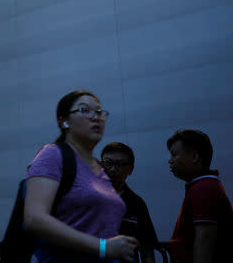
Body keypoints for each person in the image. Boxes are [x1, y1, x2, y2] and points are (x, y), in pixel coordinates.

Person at [24, 90, 138, 263]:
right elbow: (35, 218)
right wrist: (102, 247)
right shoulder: (53, 155)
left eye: (99, 112)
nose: (96, 117)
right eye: (85, 110)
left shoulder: (99, 169)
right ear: (64, 122)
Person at [166, 129, 233, 263]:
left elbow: (205, 237)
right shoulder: (204, 185)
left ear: (195, 157)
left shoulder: (204, 188)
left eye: (174, 155)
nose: (170, 161)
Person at [100, 143, 158, 263]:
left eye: (120, 164)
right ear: (101, 165)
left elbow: (147, 248)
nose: (113, 169)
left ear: (131, 169)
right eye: (108, 162)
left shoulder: (136, 204)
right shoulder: (88, 197)